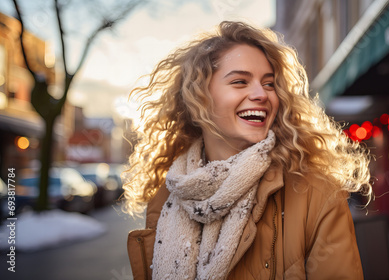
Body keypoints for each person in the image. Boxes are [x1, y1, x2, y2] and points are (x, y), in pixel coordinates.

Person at [123, 20, 372, 280]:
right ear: (198, 99)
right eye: (240, 82)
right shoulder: (169, 194)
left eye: (269, 83)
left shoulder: (317, 196)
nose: (261, 94)